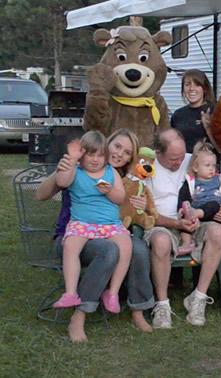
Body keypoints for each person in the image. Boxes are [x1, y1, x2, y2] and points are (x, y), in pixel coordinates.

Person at [37, 128, 155, 342]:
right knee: (108, 251)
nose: (120, 154)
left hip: (108, 231)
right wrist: (64, 167)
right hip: (73, 235)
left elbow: (132, 209)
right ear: (105, 146)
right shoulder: (78, 168)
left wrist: (142, 206)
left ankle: (137, 310)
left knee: (137, 247)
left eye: (127, 152)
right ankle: (79, 315)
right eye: (117, 147)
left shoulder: (124, 178)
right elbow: (41, 194)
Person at [143, 128, 221, 328]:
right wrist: (177, 223)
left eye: (181, 156)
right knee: (160, 241)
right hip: (163, 224)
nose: (179, 162)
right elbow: (144, 213)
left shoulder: (193, 160)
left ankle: (198, 298)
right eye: (173, 159)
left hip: (198, 222)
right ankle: (162, 305)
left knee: (218, 232)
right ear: (158, 153)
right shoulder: (146, 169)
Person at [52, 131, 131, 316]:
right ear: (82, 154)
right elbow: (62, 182)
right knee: (70, 246)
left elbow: (120, 198)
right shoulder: (76, 172)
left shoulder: (111, 172)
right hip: (82, 223)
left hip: (110, 224)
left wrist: (109, 191)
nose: (95, 160)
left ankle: (112, 293)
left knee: (126, 247)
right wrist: (71, 160)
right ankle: (71, 293)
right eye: (90, 155)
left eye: (100, 155)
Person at [177, 141, 221, 254]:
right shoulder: (191, 182)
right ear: (195, 167)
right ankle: (186, 243)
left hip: (214, 214)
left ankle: (194, 214)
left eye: (213, 165)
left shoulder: (220, 180)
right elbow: (183, 196)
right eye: (207, 165)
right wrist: (180, 208)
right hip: (195, 216)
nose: (211, 169)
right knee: (186, 222)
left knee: (214, 204)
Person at [171, 69, 218, 153]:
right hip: (182, 164)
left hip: (207, 164)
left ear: (205, 88)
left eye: (197, 85)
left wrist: (208, 129)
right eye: (187, 84)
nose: (192, 88)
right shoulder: (177, 115)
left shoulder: (214, 111)